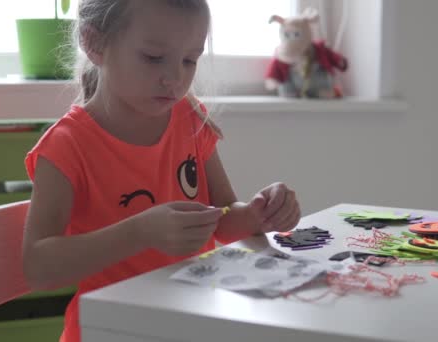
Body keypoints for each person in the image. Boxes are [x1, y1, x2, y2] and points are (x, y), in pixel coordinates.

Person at [22, 1, 301, 341]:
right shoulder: (67, 145)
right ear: (94, 43)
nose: (175, 79)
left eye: (189, 60)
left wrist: (260, 213)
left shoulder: (189, 117)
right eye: (153, 58)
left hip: (189, 320)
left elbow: (225, 218)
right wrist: (140, 232)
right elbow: (38, 268)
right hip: (109, 330)